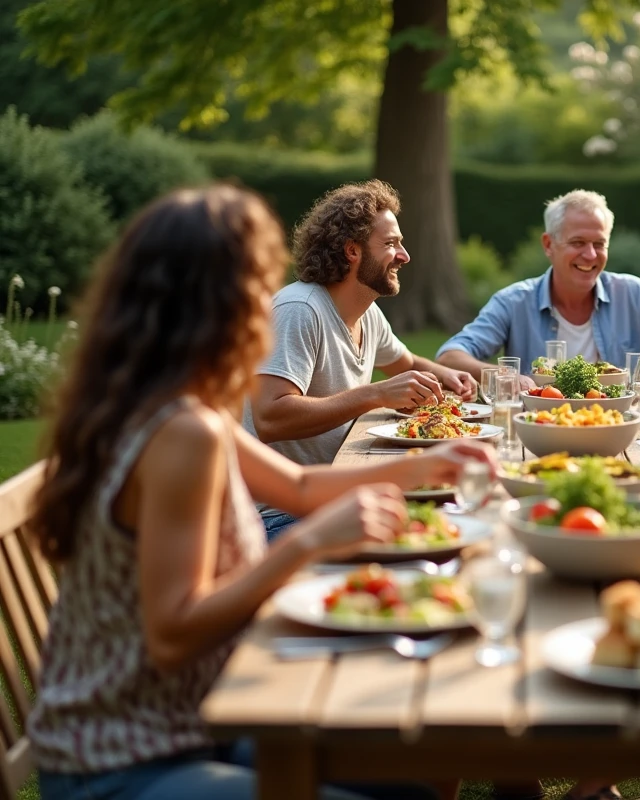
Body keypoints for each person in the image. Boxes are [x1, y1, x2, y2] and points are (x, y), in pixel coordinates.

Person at [26, 185, 496, 800]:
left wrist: (423, 468)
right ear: (220, 301)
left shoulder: (178, 408)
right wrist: (305, 544)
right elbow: (172, 633)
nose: (265, 301)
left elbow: (299, 484)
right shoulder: (181, 432)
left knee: (409, 786)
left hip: (195, 723)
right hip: (123, 757)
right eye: (255, 282)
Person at [244, 180, 476, 539]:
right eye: (391, 244)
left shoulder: (366, 312)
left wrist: (450, 375)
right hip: (281, 517)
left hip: (337, 495)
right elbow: (271, 417)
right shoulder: (300, 310)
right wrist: (375, 395)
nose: (404, 255)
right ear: (352, 251)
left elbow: (406, 363)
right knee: (424, 536)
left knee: (455, 515)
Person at [435, 189, 640, 396]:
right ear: (548, 244)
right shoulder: (513, 301)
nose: (590, 255)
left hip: (616, 429)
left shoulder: (633, 293)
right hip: (539, 431)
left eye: (599, 243)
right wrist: (504, 375)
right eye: (578, 242)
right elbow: (450, 356)